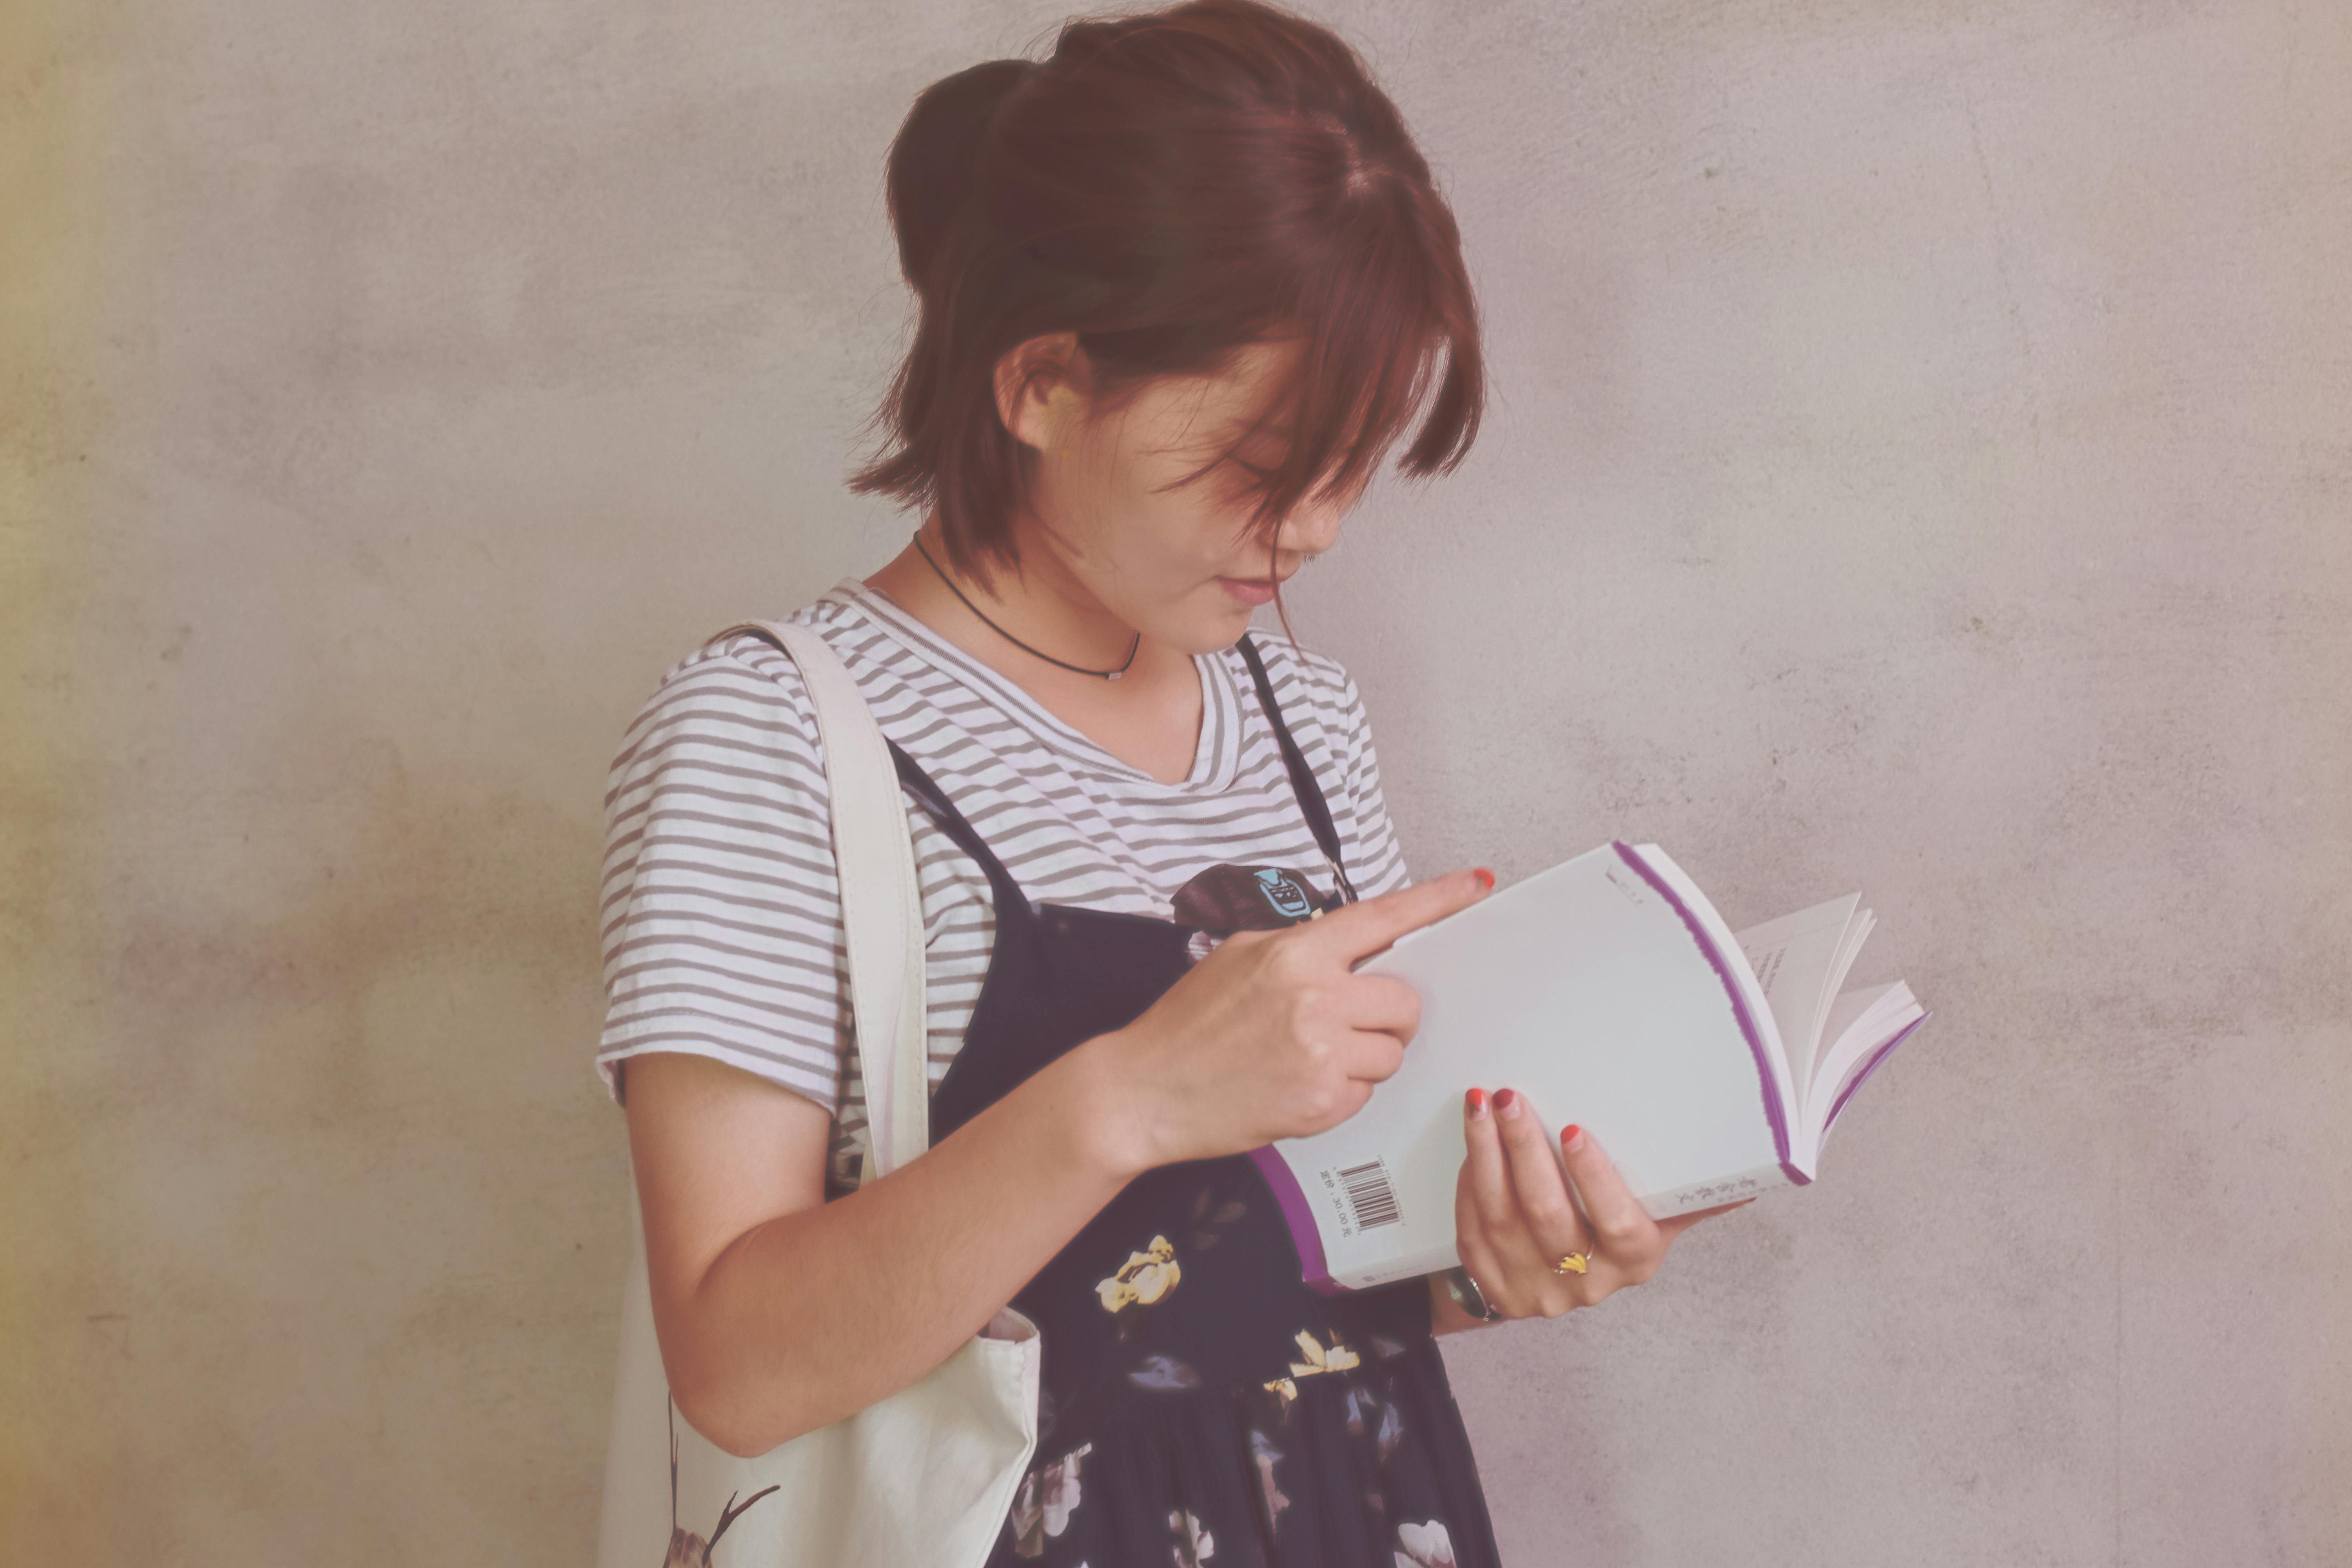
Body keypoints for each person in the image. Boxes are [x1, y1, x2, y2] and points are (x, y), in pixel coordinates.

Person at [595, 3, 1746, 1561]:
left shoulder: (1301, 718)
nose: (1320, 528)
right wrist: (1134, 1095)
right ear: (1045, 383)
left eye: (1356, 466)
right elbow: (736, 1363)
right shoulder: (775, 733)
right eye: (1268, 466)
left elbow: (1281, 1287)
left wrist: (1502, 1258)